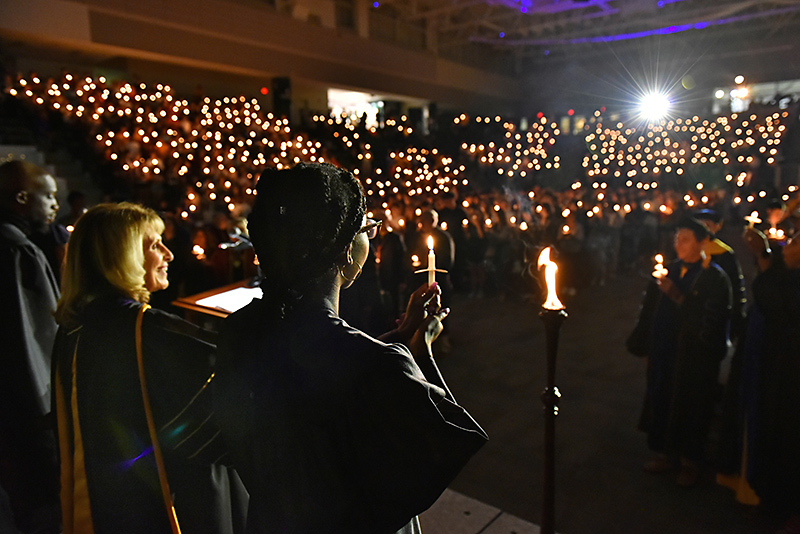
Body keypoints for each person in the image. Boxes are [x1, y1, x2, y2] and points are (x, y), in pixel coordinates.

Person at [213, 163, 487, 534]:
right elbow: (430, 451)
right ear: (344, 249)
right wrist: (418, 350)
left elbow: (320, 365)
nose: (372, 238)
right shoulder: (378, 365)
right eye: (366, 229)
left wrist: (403, 333)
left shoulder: (239, 330)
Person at [52, 202, 247, 534]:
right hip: (174, 505)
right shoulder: (148, 330)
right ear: (123, 254)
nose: (169, 255)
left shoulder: (73, 327)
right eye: (154, 244)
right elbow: (227, 411)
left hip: (105, 504)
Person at [638, 217, 732, 486]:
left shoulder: (714, 277)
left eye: (686, 239)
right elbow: (651, 310)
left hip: (694, 356)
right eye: (677, 239)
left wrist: (677, 296)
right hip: (666, 350)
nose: (679, 244)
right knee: (664, 398)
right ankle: (668, 454)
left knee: (691, 406)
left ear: (703, 243)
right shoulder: (670, 269)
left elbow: (713, 321)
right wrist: (646, 342)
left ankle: (691, 462)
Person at [0, 160, 61, 534]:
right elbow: (34, 348)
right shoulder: (17, 253)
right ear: (22, 198)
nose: (55, 205)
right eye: (48, 196)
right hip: (27, 420)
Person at [736, 228, 800, 532]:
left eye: (795, 242)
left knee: (784, 438)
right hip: (772, 369)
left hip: (788, 377)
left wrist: (763, 255)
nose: (787, 246)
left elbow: (775, 300)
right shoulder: (787, 278)